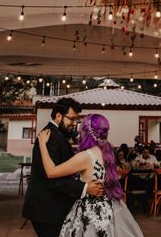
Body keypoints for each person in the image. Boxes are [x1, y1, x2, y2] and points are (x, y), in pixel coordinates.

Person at [38, 114, 144, 237]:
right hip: (109, 209)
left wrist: (42, 145)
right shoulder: (108, 153)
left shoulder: (86, 156)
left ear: (86, 132)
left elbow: (51, 172)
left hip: (91, 213)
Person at [23, 98, 104, 237]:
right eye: (71, 119)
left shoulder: (57, 134)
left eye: (76, 120)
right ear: (59, 115)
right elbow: (53, 178)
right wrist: (85, 188)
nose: (74, 123)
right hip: (47, 209)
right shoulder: (50, 138)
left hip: (52, 207)